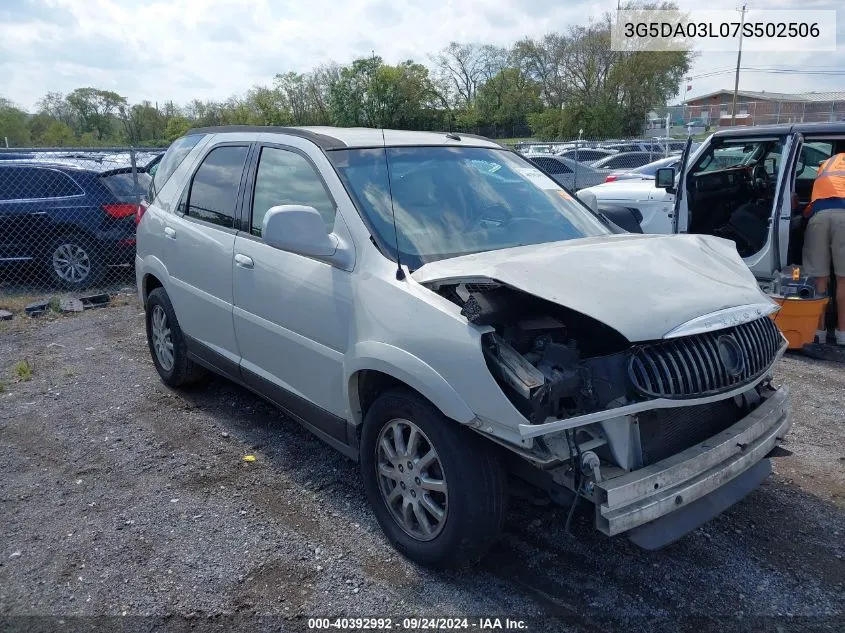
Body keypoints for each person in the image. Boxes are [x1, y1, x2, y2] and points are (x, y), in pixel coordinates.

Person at [802, 152, 845, 346]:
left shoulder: (826, 164)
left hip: (819, 216)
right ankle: (842, 333)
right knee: (843, 280)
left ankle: (817, 331)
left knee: (820, 278)